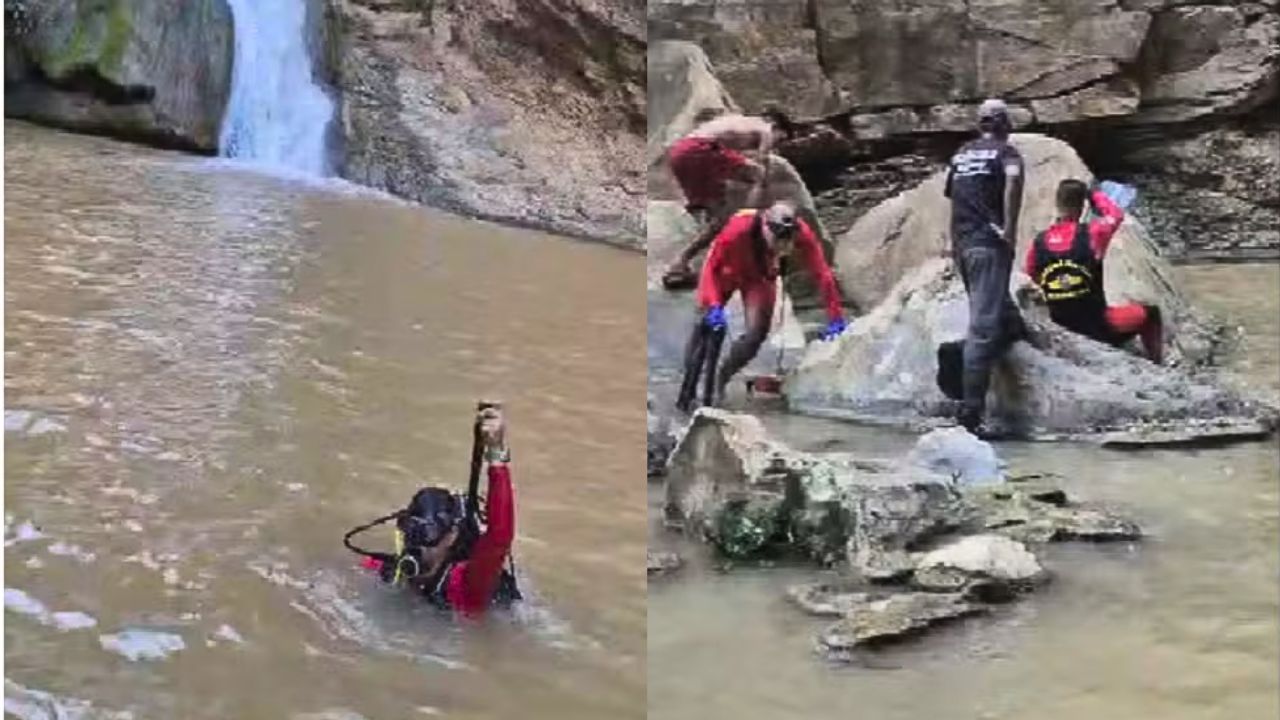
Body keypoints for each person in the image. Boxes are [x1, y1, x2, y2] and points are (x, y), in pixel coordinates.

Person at [346, 403, 518, 616]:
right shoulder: (391, 566)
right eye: (415, 533)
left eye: (430, 536)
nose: (421, 547)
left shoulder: (466, 584)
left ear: (452, 537)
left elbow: (499, 536)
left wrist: (496, 455)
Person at [682, 201, 847, 409]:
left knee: (756, 334)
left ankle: (721, 378)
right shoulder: (738, 229)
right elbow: (711, 269)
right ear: (766, 227)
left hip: (760, 275)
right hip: (726, 269)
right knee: (704, 324)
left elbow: (822, 273)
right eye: (778, 239)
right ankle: (689, 379)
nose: (783, 245)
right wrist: (714, 304)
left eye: (787, 239)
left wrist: (836, 317)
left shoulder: (801, 232)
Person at [943, 98, 1028, 434]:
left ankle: (1014, 327)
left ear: (981, 124)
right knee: (982, 329)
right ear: (1005, 124)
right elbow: (1013, 183)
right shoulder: (1008, 154)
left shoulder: (961, 155)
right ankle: (970, 413)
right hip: (988, 244)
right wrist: (1009, 229)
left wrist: (953, 243)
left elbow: (951, 198)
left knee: (991, 303)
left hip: (965, 244)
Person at [1026, 179, 1163, 363]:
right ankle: (1155, 361)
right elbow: (1115, 215)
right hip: (1098, 326)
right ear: (1082, 207)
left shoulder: (1040, 242)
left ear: (1057, 204)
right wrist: (1094, 194)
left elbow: (1032, 272)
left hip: (1061, 323)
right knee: (1151, 313)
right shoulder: (1093, 233)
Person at [662, 111, 778, 288]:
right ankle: (744, 229)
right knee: (759, 175)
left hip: (680, 153)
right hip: (701, 151)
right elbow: (762, 161)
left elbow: (729, 159)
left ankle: (681, 266)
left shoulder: (734, 122)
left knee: (715, 211)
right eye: (782, 137)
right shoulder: (765, 128)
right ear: (776, 125)